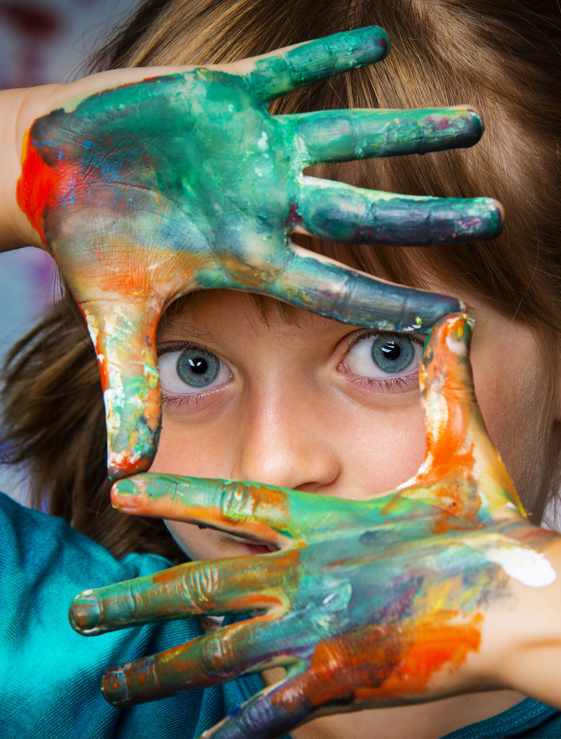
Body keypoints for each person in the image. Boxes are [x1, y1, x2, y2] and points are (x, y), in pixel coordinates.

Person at [1, 1, 561, 738]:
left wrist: (532, 615)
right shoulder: (64, 669)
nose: (270, 460)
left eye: (384, 351)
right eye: (193, 366)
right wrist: (39, 159)